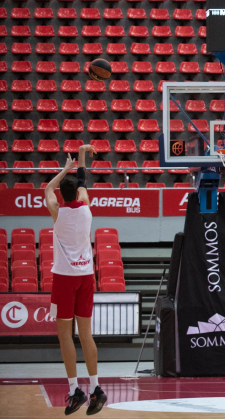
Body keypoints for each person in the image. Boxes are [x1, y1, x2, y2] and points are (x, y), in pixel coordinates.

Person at [45, 146, 107, 415]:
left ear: (62, 194)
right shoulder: (86, 209)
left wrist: (64, 170)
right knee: (86, 334)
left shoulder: (56, 210)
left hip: (64, 278)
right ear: (78, 195)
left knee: (64, 336)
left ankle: (74, 391)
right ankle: (95, 389)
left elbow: (47, 189)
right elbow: (83, 181)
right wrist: (82, 156)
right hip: (86, 277)